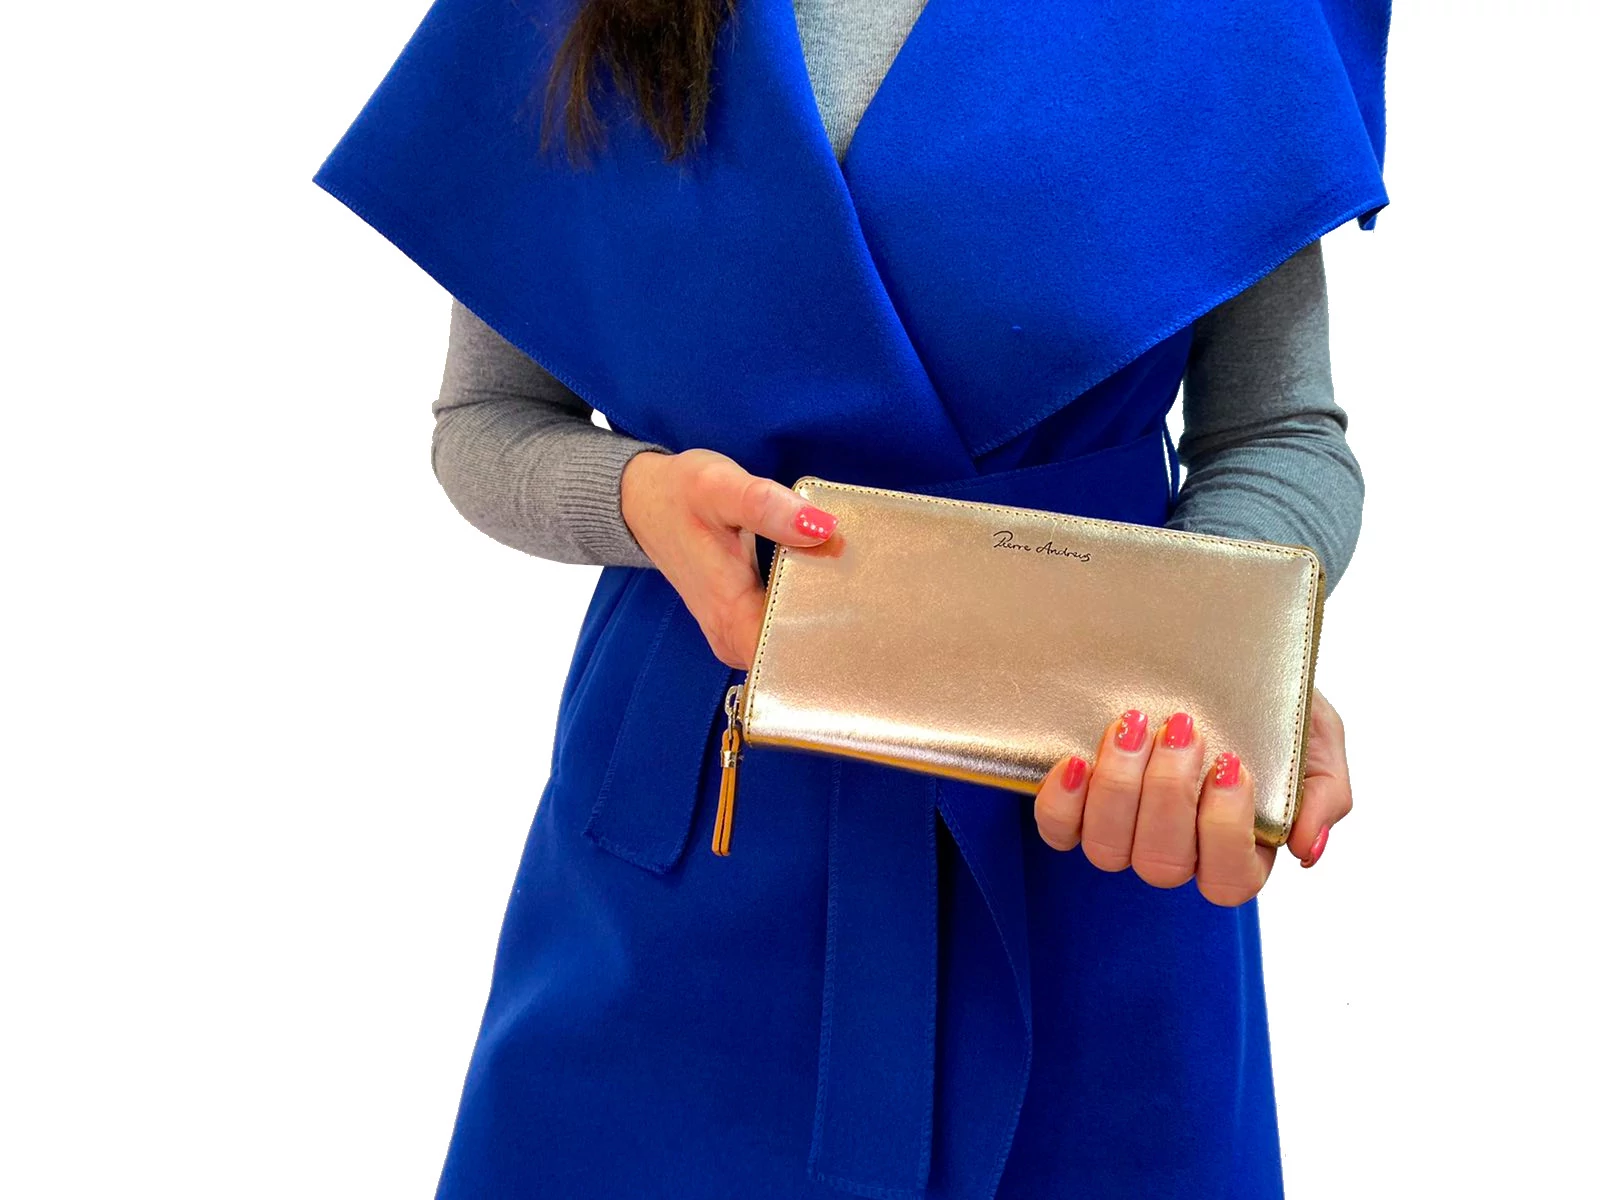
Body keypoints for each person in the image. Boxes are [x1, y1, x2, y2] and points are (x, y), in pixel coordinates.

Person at [313, 0, 1388, 1195]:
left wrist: (1219, 657)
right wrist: (640, 497)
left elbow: (1282, 434)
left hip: (1097, 804)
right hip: (704, 824)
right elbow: (488, 421)